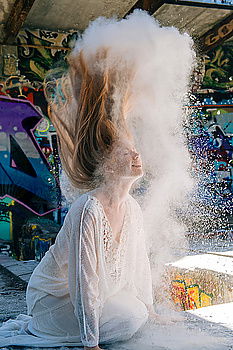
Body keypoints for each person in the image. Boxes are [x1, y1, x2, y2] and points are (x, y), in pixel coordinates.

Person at [0, 22, 156, 350]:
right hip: (53, 301)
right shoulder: (90, 208)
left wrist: (154, 312)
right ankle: (68, 331)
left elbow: (141, 265)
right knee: (128, 319)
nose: (136, 153)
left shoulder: (131, 207)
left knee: (137, 313)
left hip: (84, 299)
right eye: (125, 150)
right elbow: (83, 282)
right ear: (105, 162)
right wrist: (91, 343)